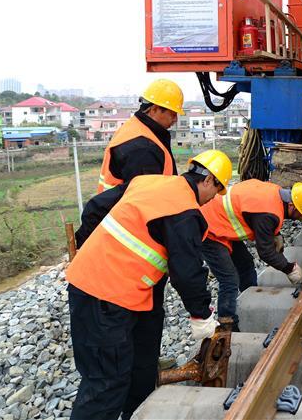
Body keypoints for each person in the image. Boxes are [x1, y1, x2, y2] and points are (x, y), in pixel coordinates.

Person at [65, 150, 232, 420]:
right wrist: (201, 315)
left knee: (131, 372)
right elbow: (187, 272)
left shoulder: (149, 182)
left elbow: (95, 207)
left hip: (102, 289)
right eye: (217, 190)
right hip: (105, 297)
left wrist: (85, 248)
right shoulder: (185, 211)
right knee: (106, 383)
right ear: (209, 180)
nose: (213, 198)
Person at [199, 179, 302, 330]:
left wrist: (275, 234)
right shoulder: (267, 214)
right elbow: (265, 252)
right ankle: (228, 326)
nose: (301, 218)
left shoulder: (276, 192)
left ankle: (249, 297)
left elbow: (260, 216)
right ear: (291, 205)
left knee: (245, 263)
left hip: (222, 221)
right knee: (229, 279)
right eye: (300, 214)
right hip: (209, 227)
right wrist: (289, 269)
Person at [96, 78, 185, 193]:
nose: (175, 119)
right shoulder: (143, 148)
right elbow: (146, 201)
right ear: (154, 110)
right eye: (172, 114)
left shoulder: (134, 127)